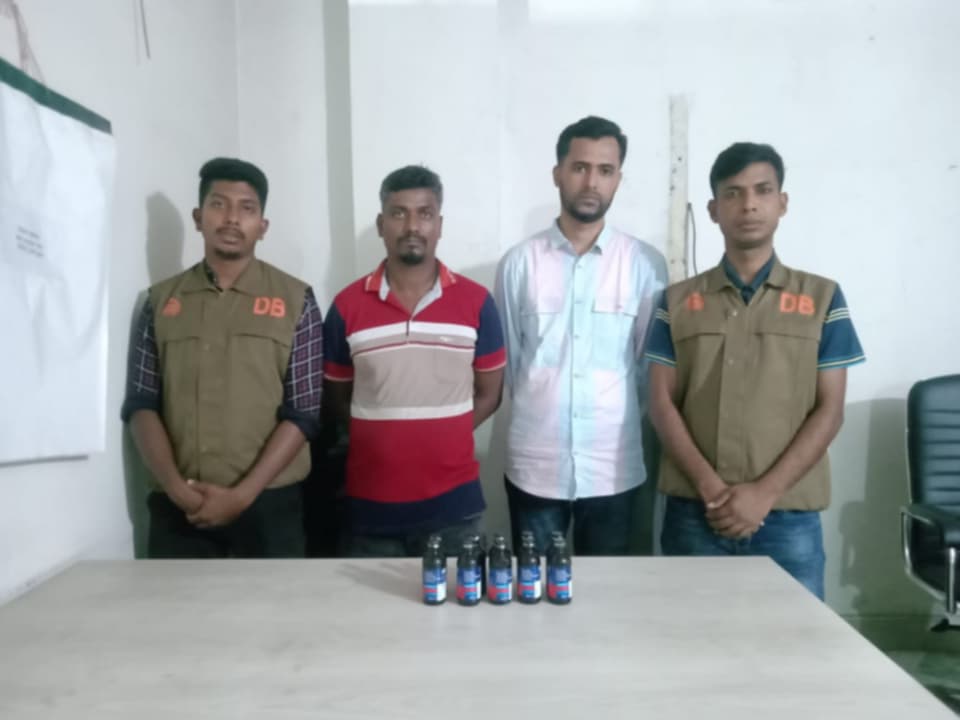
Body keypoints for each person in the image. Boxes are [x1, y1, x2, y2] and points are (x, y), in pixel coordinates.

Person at [646, 142, 865, 599]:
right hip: (695, 513)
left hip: (787, 517)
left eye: (762, 190)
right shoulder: (677, 301)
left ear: (782, 202)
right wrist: (711, 489)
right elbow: (662, 404)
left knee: (793, 639)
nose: (748, 204)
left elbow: (830, 410)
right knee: (690, 634)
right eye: (733, 193)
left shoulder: (822, 298)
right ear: (713, 210)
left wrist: (765, 493)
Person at [121, 157, 323, 558]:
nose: (231, 218)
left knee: (276, 603)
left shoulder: (296, 299)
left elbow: (304, 412)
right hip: (179, 508)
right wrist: (177, 489)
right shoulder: (159, 302)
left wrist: (242, 495)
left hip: (269, 507)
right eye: (218, 204)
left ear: (262, 226)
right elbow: (142, 405)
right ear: (198, 218)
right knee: (175, 603)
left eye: (246, 208)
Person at [494, 116, 667, 555]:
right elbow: (511, 364)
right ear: (557, 173)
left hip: (613, 466)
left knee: (608, 592)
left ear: (618, 179)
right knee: (534, 587)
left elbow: (645, 368)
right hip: (535, 464)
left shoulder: (645, 264)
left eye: (605, 170)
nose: (591, 182)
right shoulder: (519, 263)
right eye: (579, 167)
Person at [323, 165, 505, 556]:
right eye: (398, 213)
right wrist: (384, 436)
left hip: (455, 510)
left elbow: (490, 394)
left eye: (424, 214)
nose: (412, 226)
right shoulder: (346, 306)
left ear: (439, 225)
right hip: (371, 510)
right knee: (367, 601)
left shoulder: (476, 303)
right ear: (381, 224)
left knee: (459, 600)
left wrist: (447, 435)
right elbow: (337, 399)